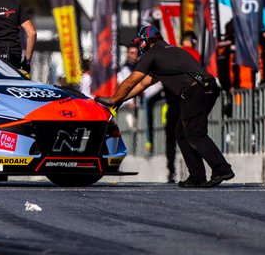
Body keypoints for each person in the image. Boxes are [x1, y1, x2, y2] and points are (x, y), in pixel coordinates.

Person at [99, 24, 234, 188]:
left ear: (146, 41)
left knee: (194, 132)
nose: (139, 46)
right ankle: (197, 176)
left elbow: (131, 81)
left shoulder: (153, 54)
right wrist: (120, 100)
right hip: (205, 87)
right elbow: (142, 85)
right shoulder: (166, 53)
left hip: (196, 89)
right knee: (182, 133)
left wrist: (113, 99)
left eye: (140, 42)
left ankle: (222, 168)